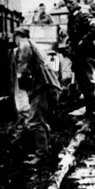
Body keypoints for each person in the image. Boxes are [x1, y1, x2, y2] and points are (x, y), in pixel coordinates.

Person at [14, 27, 61, 166]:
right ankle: (45, 150)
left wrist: (20, 76)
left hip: (43, 87)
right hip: (46, 86)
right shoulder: (32, 44)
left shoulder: (24, 45)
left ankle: (41, 155)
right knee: (41, 120)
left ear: (18, 36)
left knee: (35, 121)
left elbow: (23, 66)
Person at [63, 0, 95, 122]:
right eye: (67, 3)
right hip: (78, 57)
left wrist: (82, 42)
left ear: (78, 2)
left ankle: (92, 116)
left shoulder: (83, 15)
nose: (69, 5)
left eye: (71, 2)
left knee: (88, 86)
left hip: (85, 56)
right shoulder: (72, 17)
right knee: (82, 85)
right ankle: (89, 114)